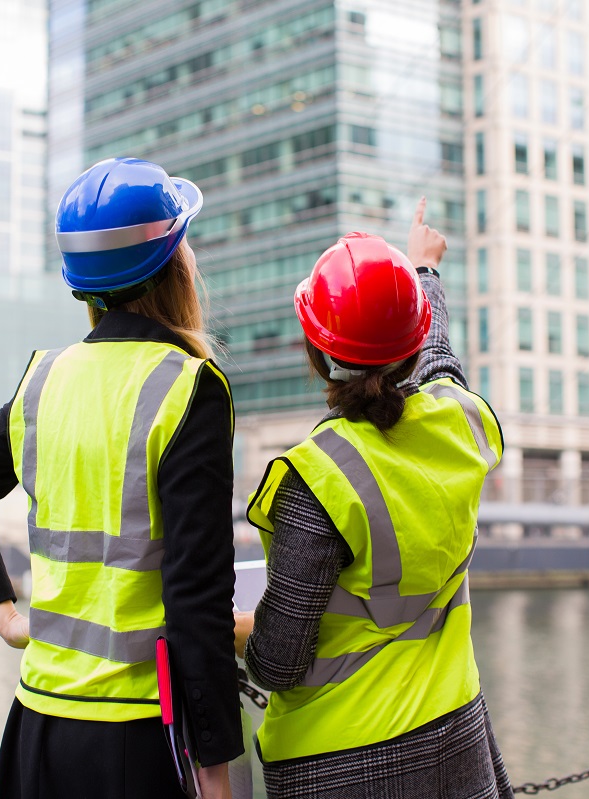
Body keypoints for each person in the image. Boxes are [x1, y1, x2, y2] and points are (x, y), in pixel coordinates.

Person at [0, 157, 242, 799]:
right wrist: (214, 766)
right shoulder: (188, 388)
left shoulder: (43, 381)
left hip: (37, 726)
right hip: (137, 734)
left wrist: (9, 619)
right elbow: (196, 595)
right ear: (175, 262)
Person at [233, 199, 513, 799]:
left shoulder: (319, 476)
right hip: (456, 737)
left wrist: (233, 631)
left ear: (315, 354)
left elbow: (278, 662)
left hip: (338, 760)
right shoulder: (460, 425)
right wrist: (424, 273)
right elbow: (441, 363)